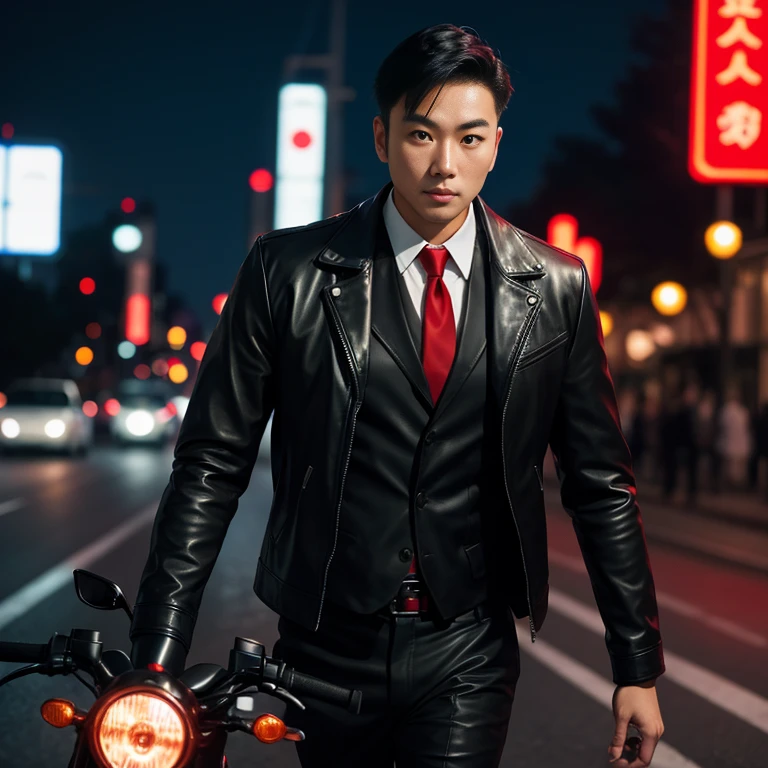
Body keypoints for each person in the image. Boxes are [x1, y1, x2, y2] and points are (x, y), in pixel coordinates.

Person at [129, 25, 665, 768]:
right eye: (421, 134)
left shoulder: (556, 287)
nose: (446, 164)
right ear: (382, 136)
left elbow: (601, 484)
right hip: (322, 645)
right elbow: (211, 466)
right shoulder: (286, 273)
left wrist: (637, 665)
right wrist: (158, 652)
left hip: (467, 645)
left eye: (471, 138)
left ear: (497, 144)